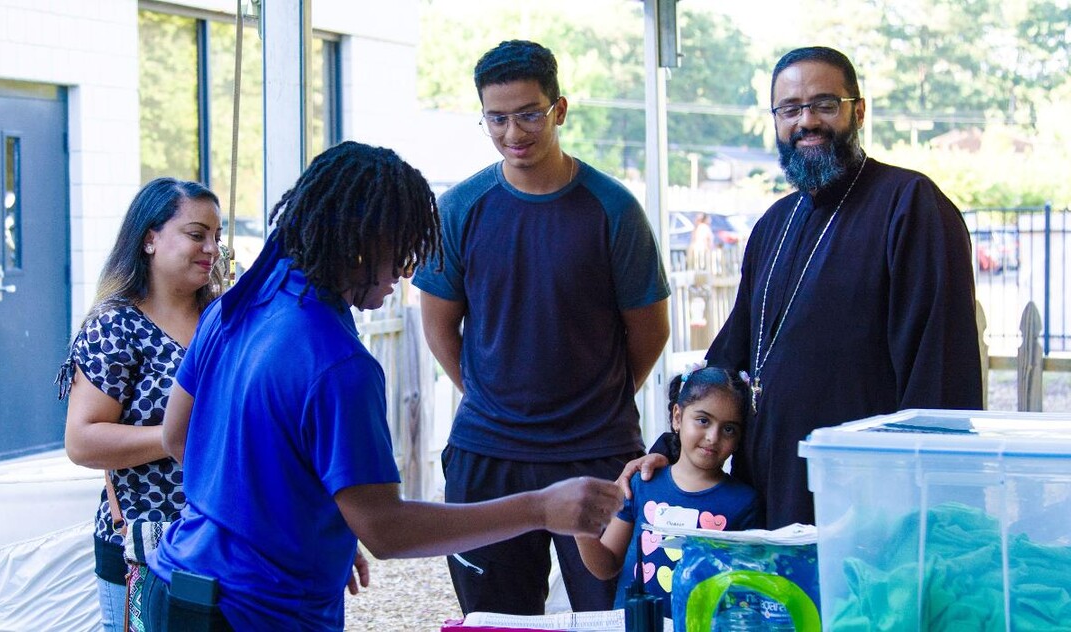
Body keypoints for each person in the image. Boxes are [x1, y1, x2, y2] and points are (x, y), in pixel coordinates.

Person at [140, 141, 625, 631]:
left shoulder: (237, 304)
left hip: (174, 587)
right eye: (403, 249)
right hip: (253, 614)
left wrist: (306, 523)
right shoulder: (337, 364)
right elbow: (387, 530)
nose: (408, 270)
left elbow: (178, 436)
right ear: (362, 244)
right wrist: (540, 507)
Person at [622, 46, 983, 529]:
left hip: (866, 502)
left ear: (858, 111)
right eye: (790, 109)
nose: (806, 121)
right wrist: (669, 449)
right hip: (767, 490)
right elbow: (732, 353)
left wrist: (924, 509)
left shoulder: (910, 207)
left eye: (824, 105)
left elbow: (938, 374)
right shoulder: (775, 222)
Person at [411, 39, 671, 615]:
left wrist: (596, 402)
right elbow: (438, 328)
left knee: (612, 618)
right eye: (496, 119)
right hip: (488, 456)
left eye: (528, 114)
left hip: (598, 452)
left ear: (559, 109)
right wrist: (488, 395)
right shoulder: (460, 209)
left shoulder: (613, 208)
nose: (513, 133)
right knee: (497, 621)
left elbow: (650, 332)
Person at [57, 177, 224, 630]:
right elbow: (82, 440)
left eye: (216, 236)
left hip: (222, 542)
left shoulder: (223, 319)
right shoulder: (115, 325)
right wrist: (178, 437)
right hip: (143, 550)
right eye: (196, 234)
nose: (211, 247)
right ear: (150, 238)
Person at [576, 366, 761, 618]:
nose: (712, 437)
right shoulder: (642, 484)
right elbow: (606, 565)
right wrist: (580, 528)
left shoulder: (744, 502)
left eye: (729, 429)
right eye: (703, 420)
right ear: (677, 417)